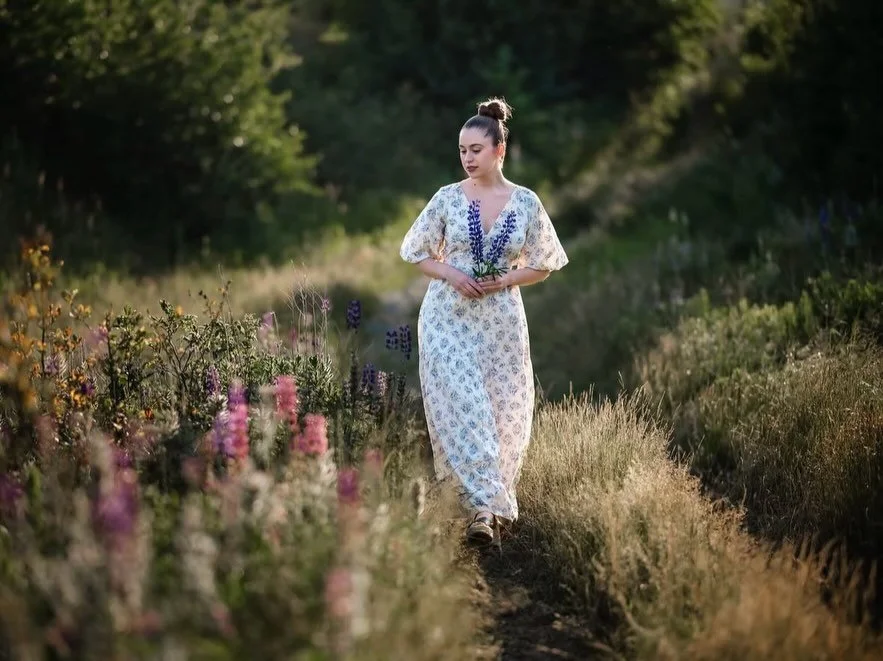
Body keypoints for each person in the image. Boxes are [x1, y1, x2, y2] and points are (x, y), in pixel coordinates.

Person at [399, 97, 569, 546]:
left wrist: (503, 280)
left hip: (501, 324)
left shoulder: (526, 203)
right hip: (446, 319)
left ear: (499, 151)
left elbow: (546, 263)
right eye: (461, 150)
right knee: (465, 408)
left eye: (476, 149)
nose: (467, 158)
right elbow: (415, 250)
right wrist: (452, 273)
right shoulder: (447, 199)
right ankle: (480, 512)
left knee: (503, 414)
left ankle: (491, 501)